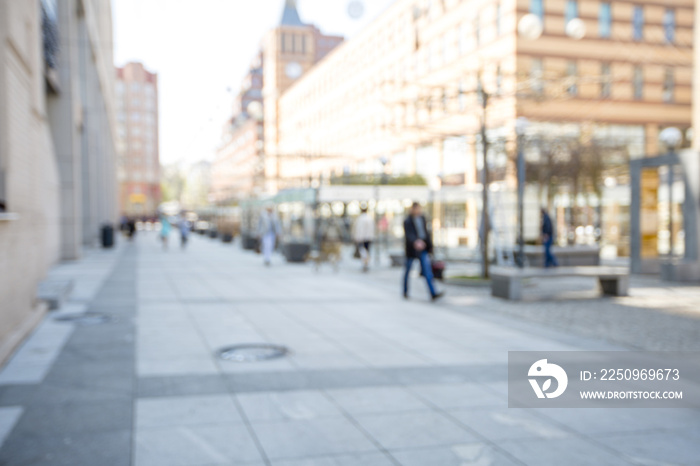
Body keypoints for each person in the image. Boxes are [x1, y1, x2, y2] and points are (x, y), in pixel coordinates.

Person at [403, 202, 444, 301]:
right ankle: (405, 291)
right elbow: (409, 235)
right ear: (412, 209)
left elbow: (426, 233)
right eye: (416, 209)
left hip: (423, 249)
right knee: (407, 271)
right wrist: (415, 242)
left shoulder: (422, 218)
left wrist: (430, 247)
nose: (418, 211)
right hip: (412, 250)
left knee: (427, 271)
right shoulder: (407, 221)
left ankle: (433, 292)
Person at [352, 206, 375, 272]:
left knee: (363, 251)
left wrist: (357, 237)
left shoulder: (360, 218)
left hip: (362, 237)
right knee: (367, 251)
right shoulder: (369, 218)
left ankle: (365, 263)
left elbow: (359, 229)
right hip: (369, 237)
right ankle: (366, 263)